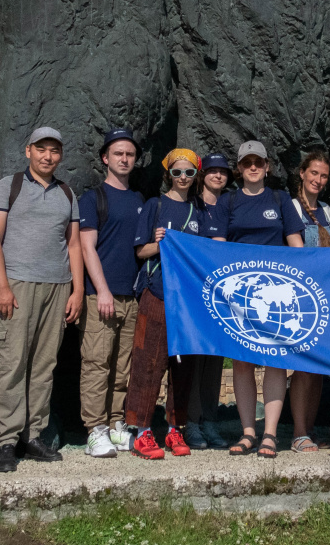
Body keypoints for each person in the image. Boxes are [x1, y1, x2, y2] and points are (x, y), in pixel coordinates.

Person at [0, 127, 83, 473]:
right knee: (11, 362)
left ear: (60, 156)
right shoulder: (8, 186)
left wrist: (78, 290)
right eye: (41, 149)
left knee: (44, 365)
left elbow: (74, 244)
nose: (47, 156)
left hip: (57, 287)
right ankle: (6, 441)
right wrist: (2, 286)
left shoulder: (67, 193)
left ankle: (34, 435)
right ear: (28, 151)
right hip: (17, 284)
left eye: (54, 150)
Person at [212, 140, 304, 459]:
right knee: (242, 363)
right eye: (247, 162)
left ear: (267, 167)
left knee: (275, 362)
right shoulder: (228, 201)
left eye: (258, 162)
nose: (253, 167)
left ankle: (270, 434)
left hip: (274, 294)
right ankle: (248, 432)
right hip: (239, 295)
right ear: (239, 168)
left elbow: (296, 244)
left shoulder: (281, 199)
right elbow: (217, 247)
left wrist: (317, 267)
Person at [126, 148, 206, 460]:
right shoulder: (155, 205)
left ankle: (175, 428)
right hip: (157, 292)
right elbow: (140, 252)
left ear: (196, 176)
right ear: (168, 174)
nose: (183, 177)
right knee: (148, 362)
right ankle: (142, 432)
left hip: (188, 300)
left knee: (182, 367)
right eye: (177, 172)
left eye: (189, 172)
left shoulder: (199, 210)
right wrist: (158, 244)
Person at [78, 129, 144, 458]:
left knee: (123, 366)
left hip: (132, 296)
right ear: (105, 158)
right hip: (100, 295)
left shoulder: (140, 200)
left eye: (129, 154)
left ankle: (117, 424)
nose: (124, 159)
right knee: (96, 364)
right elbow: (86, 247)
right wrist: (102, 290)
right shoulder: (93, 198)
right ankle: (95, 430)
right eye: (118, 153)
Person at [184, 152, 233, 451]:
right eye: (212, 171)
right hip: (193, 292)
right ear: (202, 175)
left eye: (223, 172)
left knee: (215, 359)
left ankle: (210, 421)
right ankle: (191, 421)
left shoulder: (230, 206)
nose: (218, 176)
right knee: (194, 359)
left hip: (223, 296)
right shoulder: (190, 205)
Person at [289, 150, 330, 453]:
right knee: (303, 367)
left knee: (317, 369)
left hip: (325, 296)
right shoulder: (291, 207)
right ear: (302, 173)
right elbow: (297, 252)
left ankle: (311, 429)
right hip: (300, 297)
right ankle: (298, 432)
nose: (318, 180)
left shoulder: (329, 211)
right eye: (314, 173)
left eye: (323, 176)